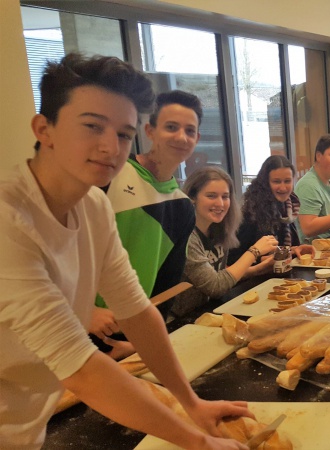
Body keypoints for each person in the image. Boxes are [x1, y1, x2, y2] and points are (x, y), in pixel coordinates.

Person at [0, 53, 250, 449]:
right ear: (43, 129)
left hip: (27, 425)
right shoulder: (8, 219)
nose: (109, 147)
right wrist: (200, 442)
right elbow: (79, 366)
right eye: (92, 126)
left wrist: (192, 403)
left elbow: (136, 310)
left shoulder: (93, 206)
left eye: (122, 134)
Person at [92, 90, 201, 357]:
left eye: (190, 130)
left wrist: (142, 343)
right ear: (150, 131)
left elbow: (166, 287)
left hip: (128, 336)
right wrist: (84, 309)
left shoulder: (183, 206)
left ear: (197, 138)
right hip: (79, 323)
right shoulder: (110, 175)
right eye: (171, 127)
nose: (181, 137)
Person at [172, 167, 280, 316]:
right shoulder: (187, 236)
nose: (220, 204)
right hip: (181, 320)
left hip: (209, 310)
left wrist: (257, 270)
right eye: (211, 196)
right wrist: (254, 252)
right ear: (192, 198)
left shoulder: (219, 229)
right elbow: (215, 287)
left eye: (225, 196)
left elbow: (220, 275)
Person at [230, 155, 315, 263]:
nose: (283, 187)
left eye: (287, 181)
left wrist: (295, 249)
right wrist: (260, 259)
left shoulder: (288, 208)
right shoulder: (252, 212)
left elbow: (280, 250)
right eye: (277, 182)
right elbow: (234, 259)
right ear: (265, 183)